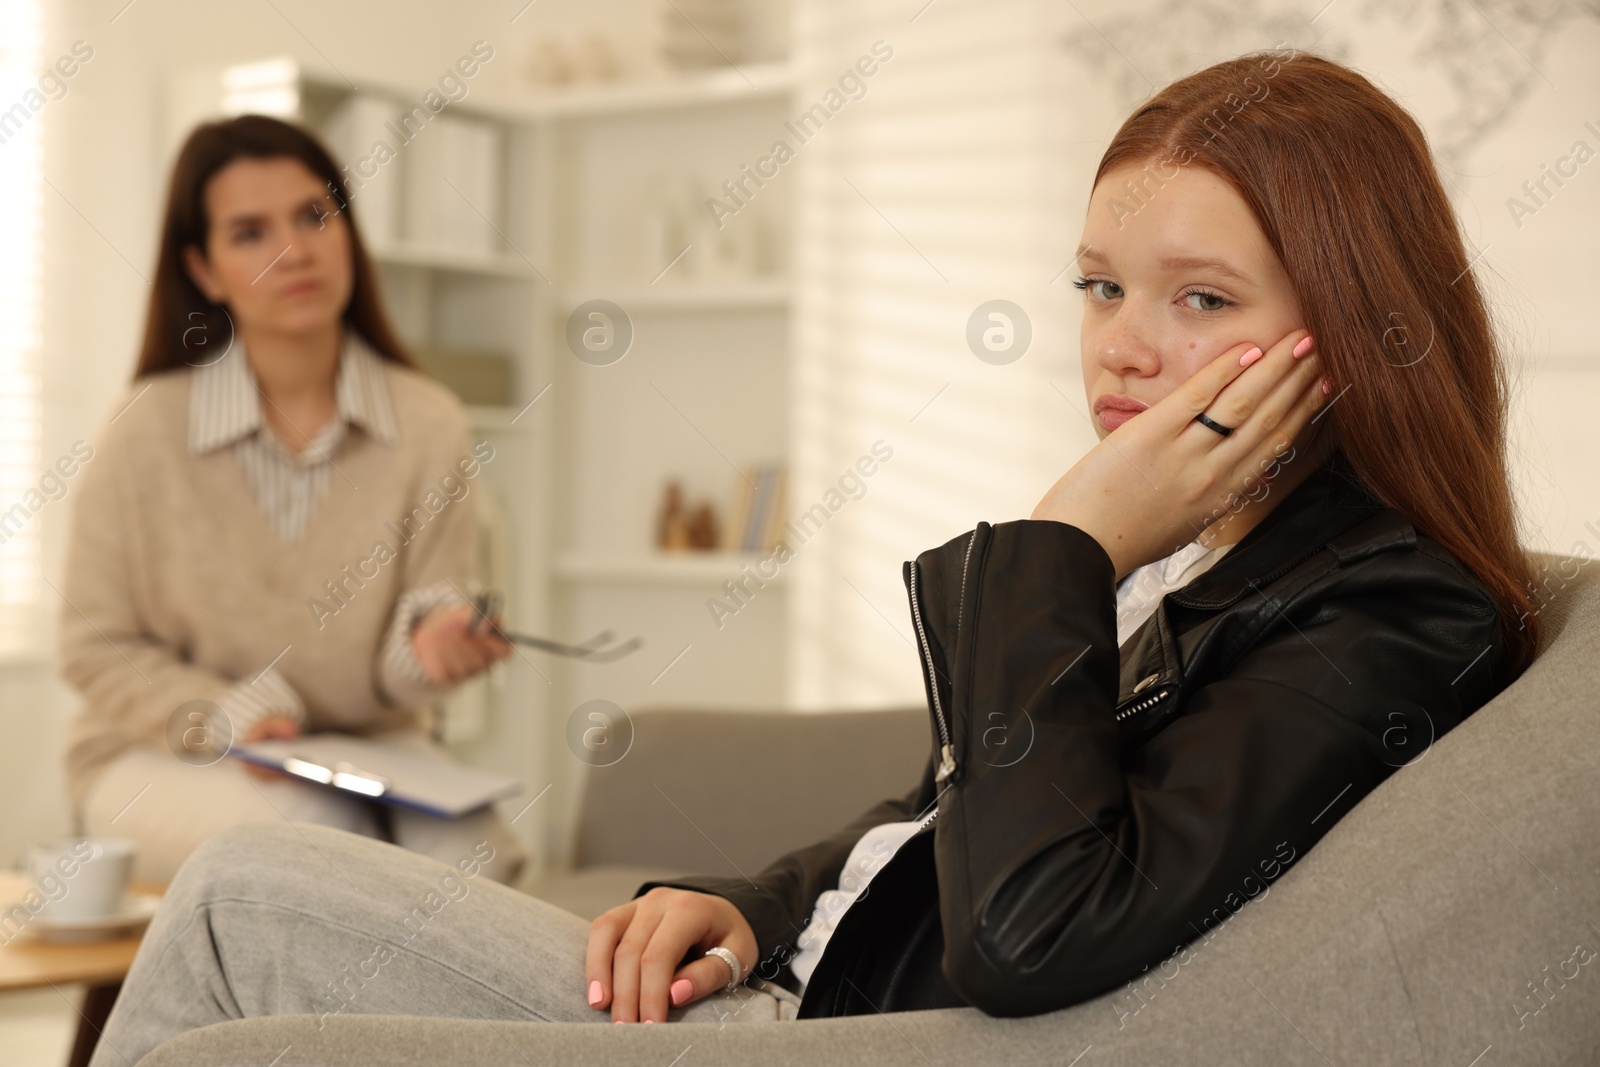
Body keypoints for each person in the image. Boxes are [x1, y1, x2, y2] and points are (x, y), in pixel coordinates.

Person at [87, 49, 1540, 1063]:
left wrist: (1068, 546)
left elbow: (1035, 929)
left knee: (238, 895)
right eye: (1098, 287)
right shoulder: (1216, 563)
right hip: (798, 975)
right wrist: (757, 897)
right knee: (246, 885)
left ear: (1347, 330)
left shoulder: (1386, 606)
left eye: (1199, 294)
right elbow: (937, 817)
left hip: (833, 1037)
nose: (1120, 345)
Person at [58, 115, 526, 888]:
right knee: (316, 840)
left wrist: (434, 647)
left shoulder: (428, 420)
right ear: (203, 270)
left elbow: (411, 649)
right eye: (249, 232)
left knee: (477, 852)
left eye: (315, 215)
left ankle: (428, 1019)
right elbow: (93, 647)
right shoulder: (145, 428)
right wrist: (230, 714)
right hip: (160, 751)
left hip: (370, 753)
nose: (295, 249)